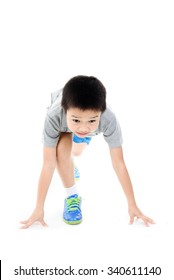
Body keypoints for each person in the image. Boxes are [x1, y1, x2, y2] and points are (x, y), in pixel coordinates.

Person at [20, 75, 154, 228]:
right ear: (65, 111)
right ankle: (72, 196)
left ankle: (78, 144)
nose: (83, 127)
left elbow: (119, 163)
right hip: (63, 127)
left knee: (76, 152)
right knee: (62, 151)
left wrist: (132, 204)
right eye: (76, 120)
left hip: (80, 129)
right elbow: (48, 164)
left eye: (92, 120)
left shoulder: (108, 119)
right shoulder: (54, 115)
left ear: (101, 113)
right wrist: (39, 207)